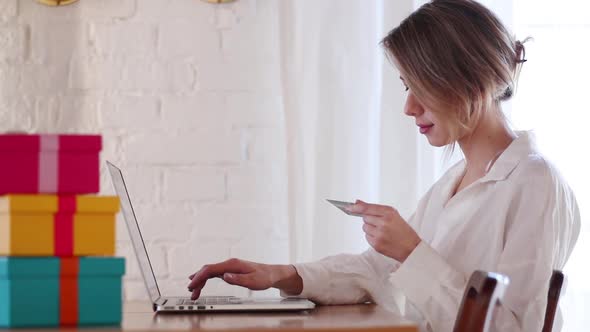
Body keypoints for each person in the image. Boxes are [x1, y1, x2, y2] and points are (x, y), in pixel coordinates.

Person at [187, 1, 580, 331]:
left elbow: (510, 328)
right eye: (405, 86)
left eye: (419, 86)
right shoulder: (453, 183)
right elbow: (374, 272)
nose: (408, 107)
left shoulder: (534, 182)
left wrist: (412, 252)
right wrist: (279, 274)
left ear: (468, 81)